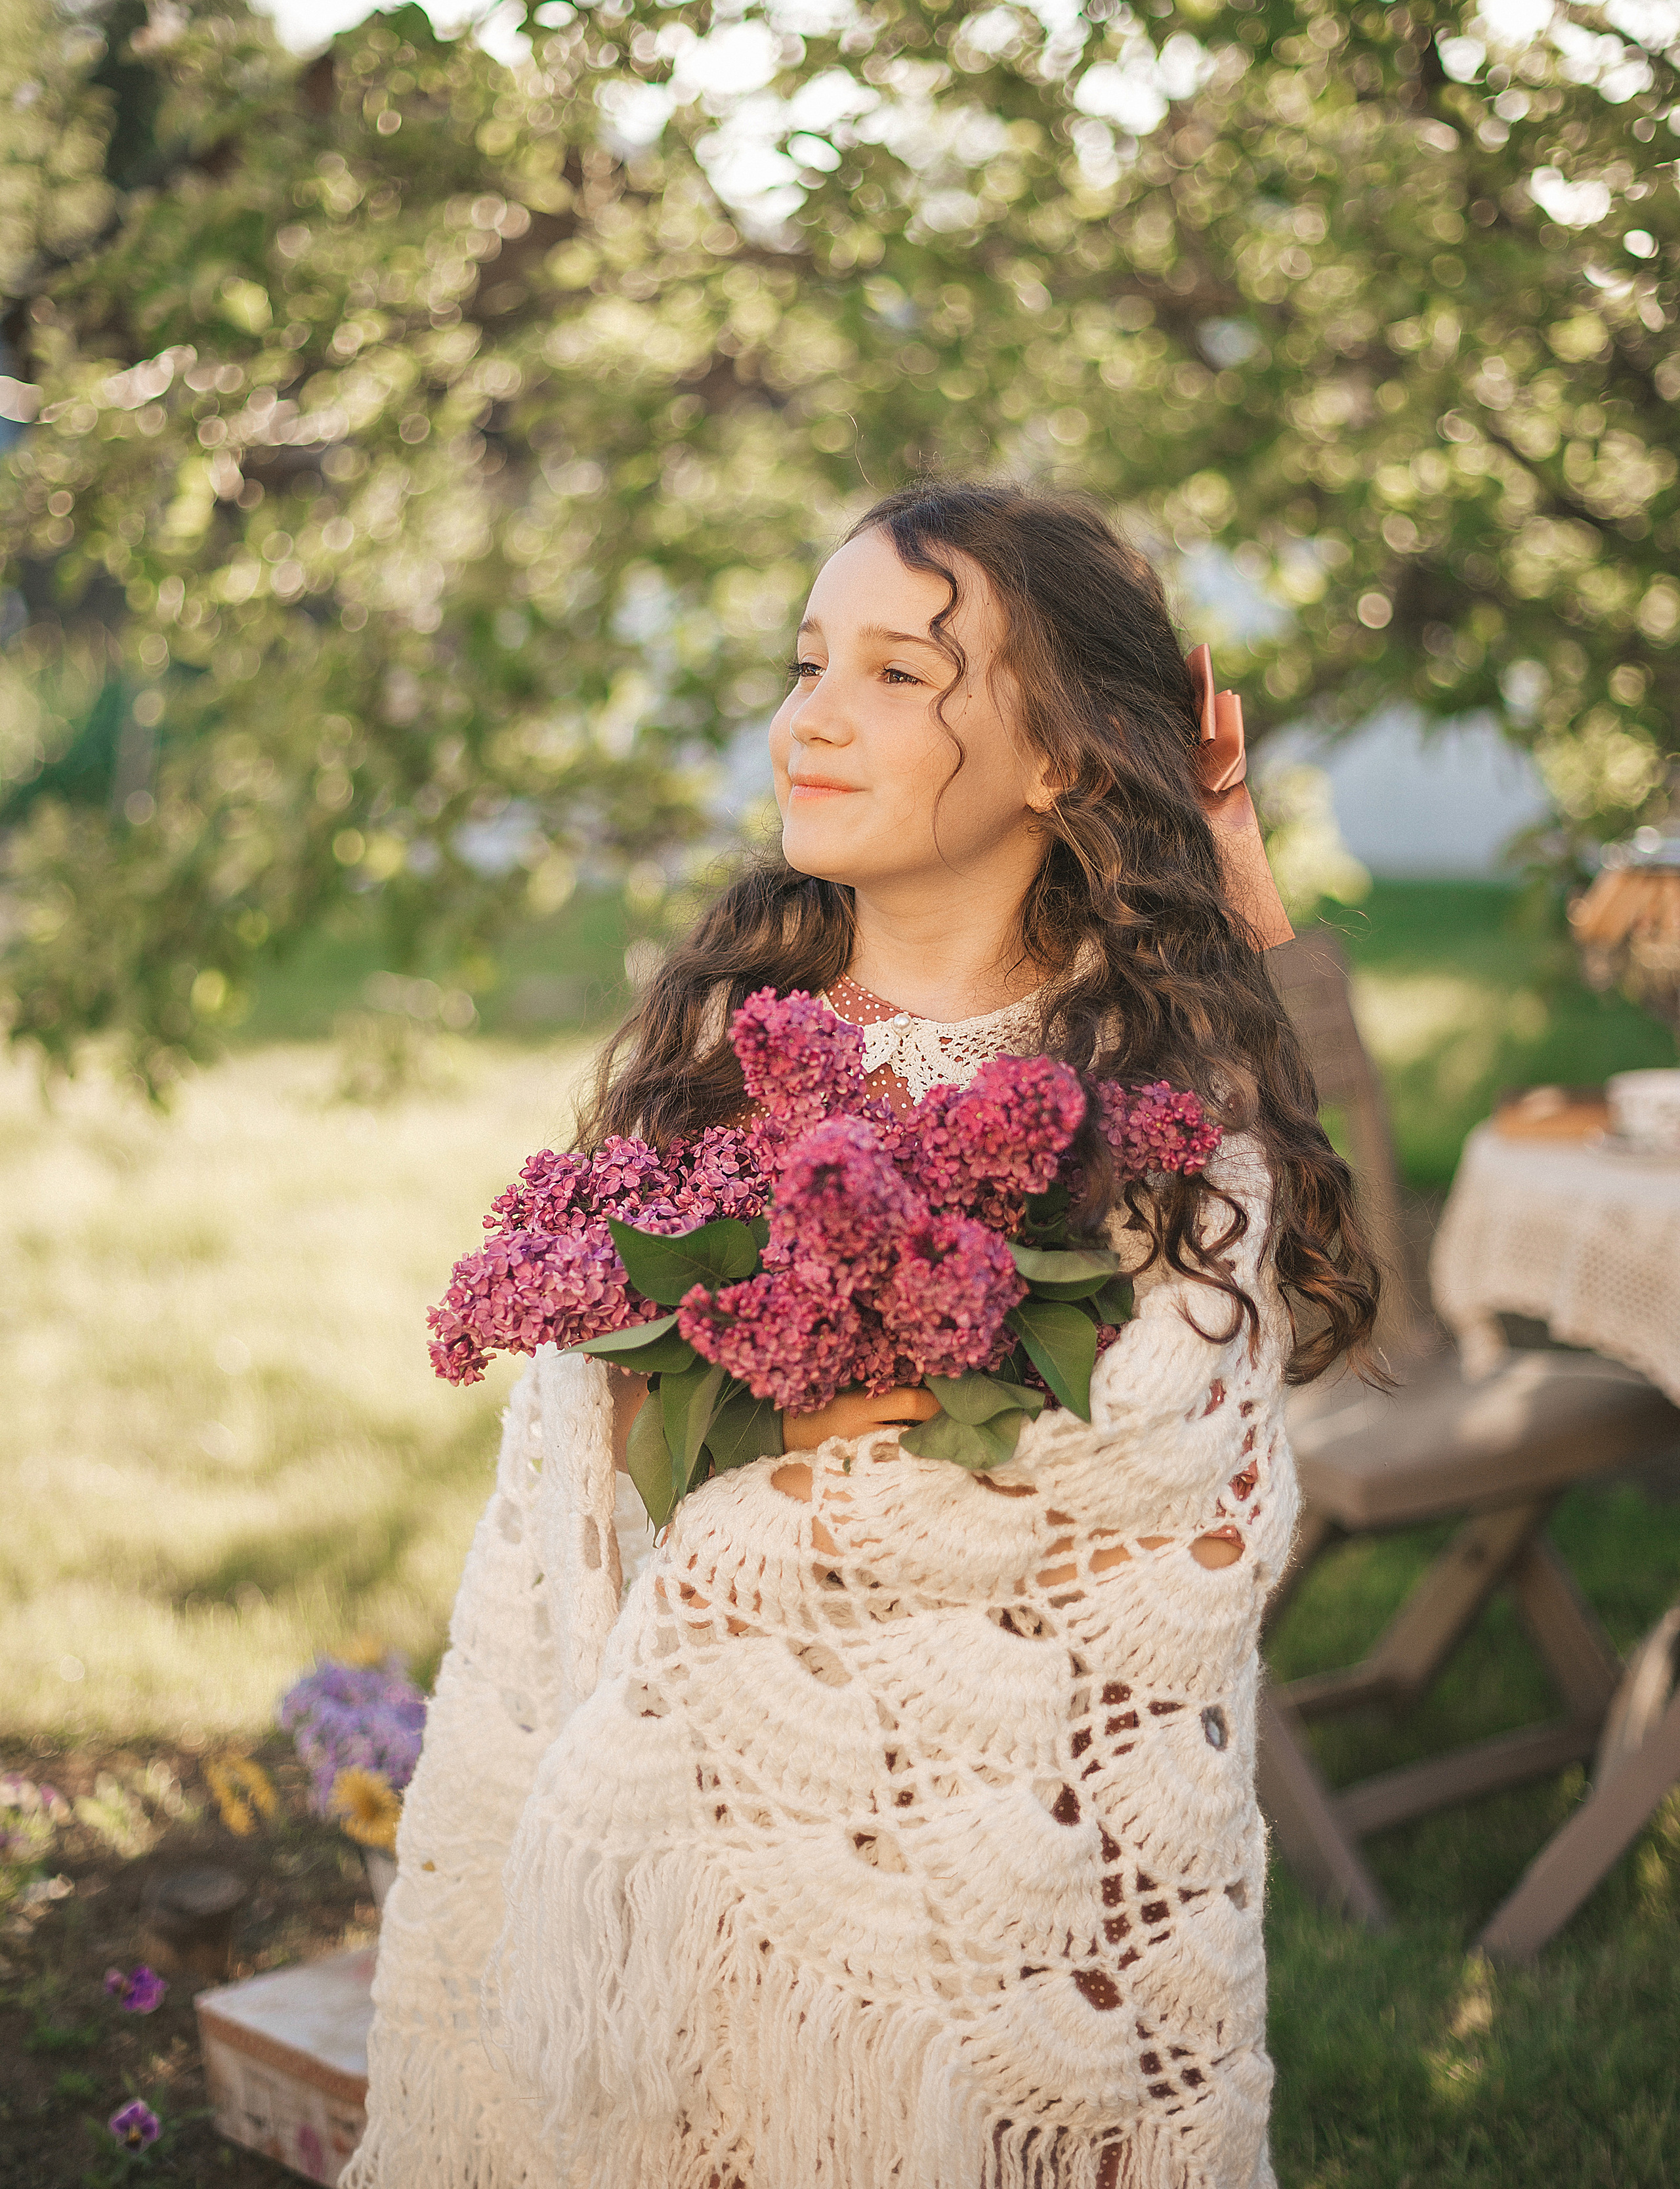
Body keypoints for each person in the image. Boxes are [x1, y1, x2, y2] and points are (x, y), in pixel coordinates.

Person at [348, 482, 1378, 2189]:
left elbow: (1165, 1487)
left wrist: (803, 1463)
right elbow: (568, 1533)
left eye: (901, 673)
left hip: (989, 1926)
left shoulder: (1151, 1106)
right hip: (680, 1910)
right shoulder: (712, 1072)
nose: (810, 714)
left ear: (1061, 755)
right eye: (809, 658)